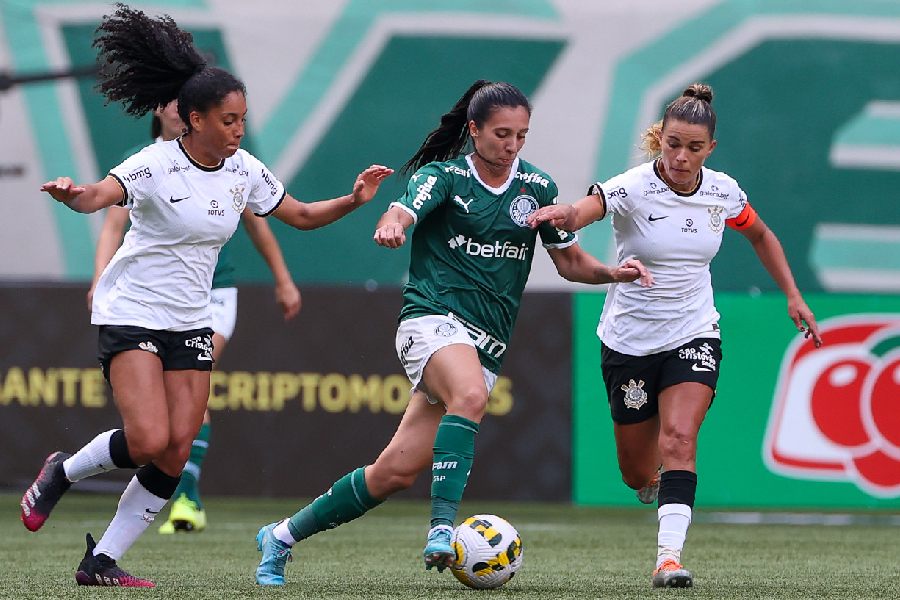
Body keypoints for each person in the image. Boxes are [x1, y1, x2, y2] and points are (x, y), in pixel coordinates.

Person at [22, 3, 392, 588]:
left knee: (175, 450)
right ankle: (60, 473)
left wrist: (353, 200)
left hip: (191, 317)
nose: (238, 130)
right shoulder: (153, 163)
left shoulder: (243, 168)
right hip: (134, 308)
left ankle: (101, 563)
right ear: (192, 119)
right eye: (227, 120)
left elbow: (295, 214)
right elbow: (98, 197)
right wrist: (71, 194)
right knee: (146, 439)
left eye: (242, 119)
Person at [253, 79, 652, 586]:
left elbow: (571, 262)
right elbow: (403, 209)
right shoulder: (444, 177)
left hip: (486, 345)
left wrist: (611, 274)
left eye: (521, 136)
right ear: (474, 130)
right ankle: (442, 528)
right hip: (430, 320)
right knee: (467, 394)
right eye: (501, 134)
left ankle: (281, 536)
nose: (511, 146)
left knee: (392, 473)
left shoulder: (537, 189)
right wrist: (392, 224)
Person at [527, 83, 823, 588]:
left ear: (711, 149)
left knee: (680, 440)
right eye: (672, 144)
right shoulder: (634, 186)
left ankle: (669, 559)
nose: (680, 157)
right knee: (637, 472)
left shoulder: (724, 192)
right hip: (629, 340)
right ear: (658, 140)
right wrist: (562, 215)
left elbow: (760, 234)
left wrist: (793, 294)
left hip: (694, 331)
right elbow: (586, 210)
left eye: (693, 147)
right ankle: (656, 487)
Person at [87, 100, 302, 535]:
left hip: (209, 296)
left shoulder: (228, 162)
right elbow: (111, 224)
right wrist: (99, 278)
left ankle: (185, 494)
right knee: (156, 428)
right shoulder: (146, 161)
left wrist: (283, 279)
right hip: (147, 302)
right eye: (171, 103)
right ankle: (163, 488)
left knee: (183, 399)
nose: (178, 110)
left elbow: (263, 220)